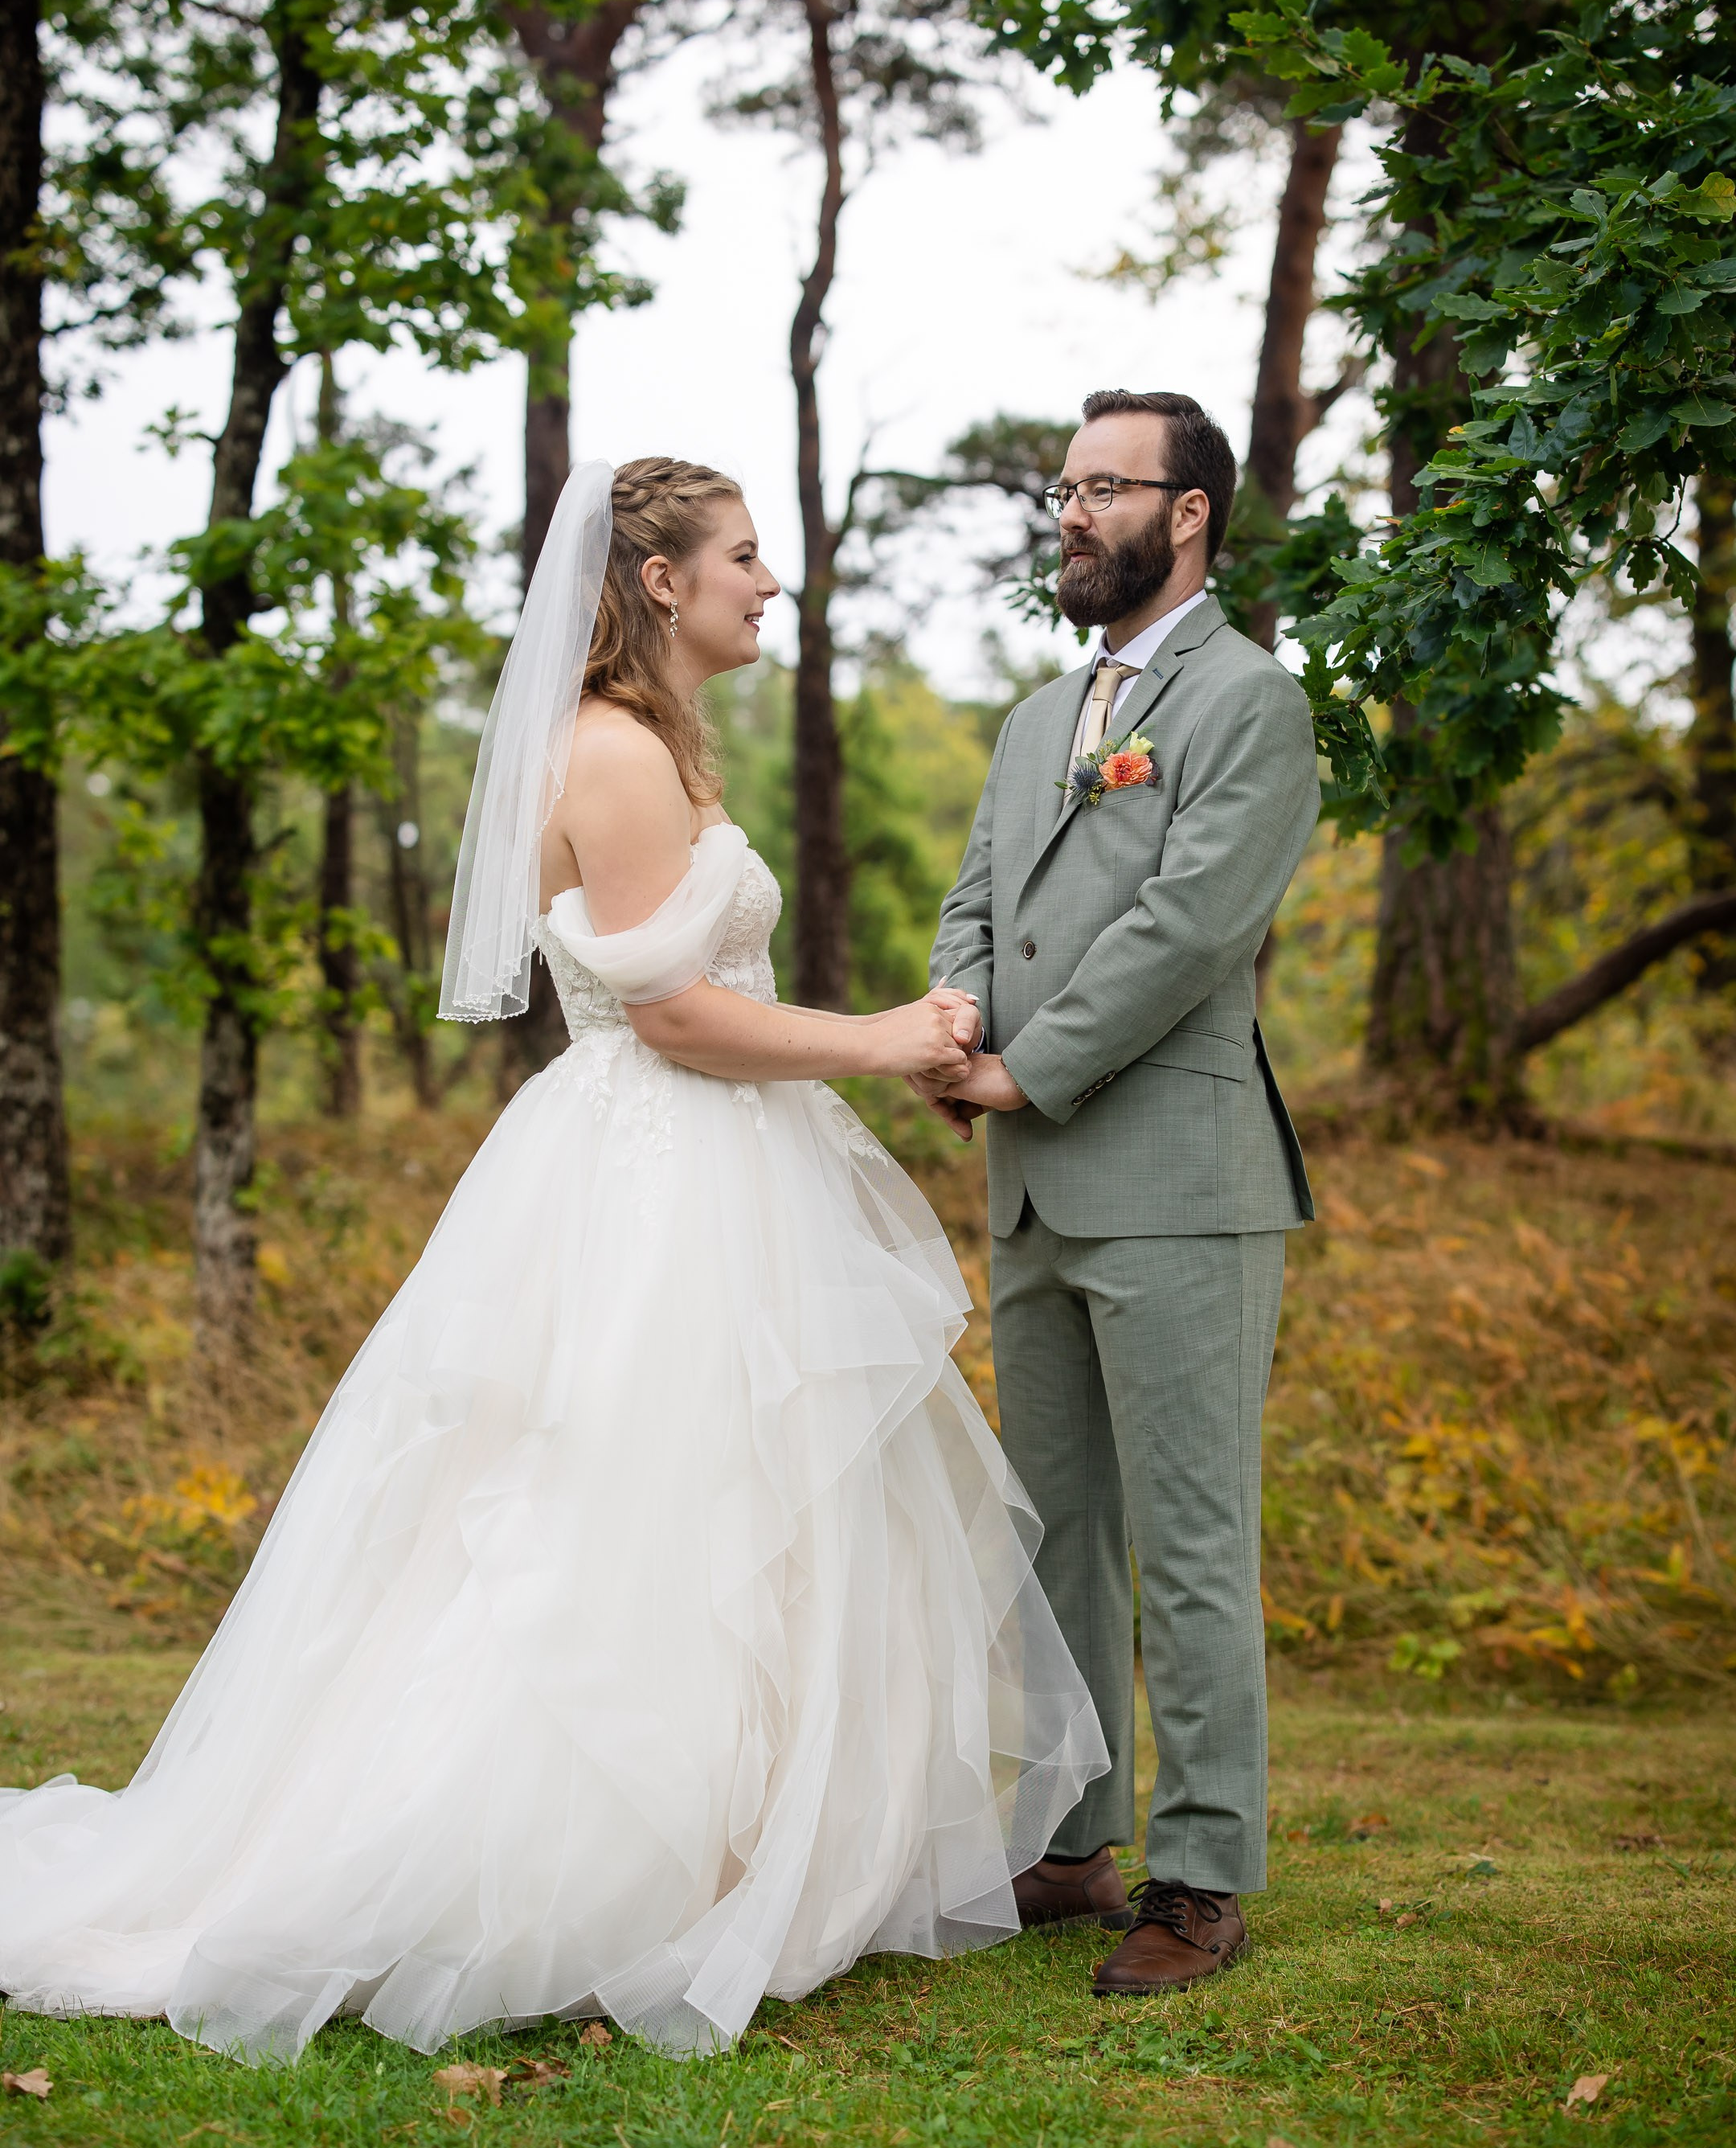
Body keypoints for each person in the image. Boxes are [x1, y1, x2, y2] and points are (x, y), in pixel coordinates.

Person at [0, 456, 1105, 2063]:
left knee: (722, 1505)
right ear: (660, 580)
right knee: (630, 1512)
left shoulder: (656, 743)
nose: (768, 583)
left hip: (707, 1164)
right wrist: (879, 1040)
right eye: (743, 557)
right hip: (657, 1176)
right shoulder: (616, 754)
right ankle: (583, 1877)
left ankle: (724, 1857)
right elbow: (675, 1016)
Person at [918, 389, 1319, 1994]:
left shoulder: (1252, 702)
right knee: (1057, 1532)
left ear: (1190, 511)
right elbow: (975, 896)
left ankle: (1202, 1871)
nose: (1073, 514)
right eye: (1065, 489)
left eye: (1104, 488)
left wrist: (1033, 1067)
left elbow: (1193, 926)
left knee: (1192, 1534)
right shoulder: (1038, 716)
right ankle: (1074, 1838)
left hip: (1177, 1181)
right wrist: (957, 1023)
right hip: (1031, 1185)